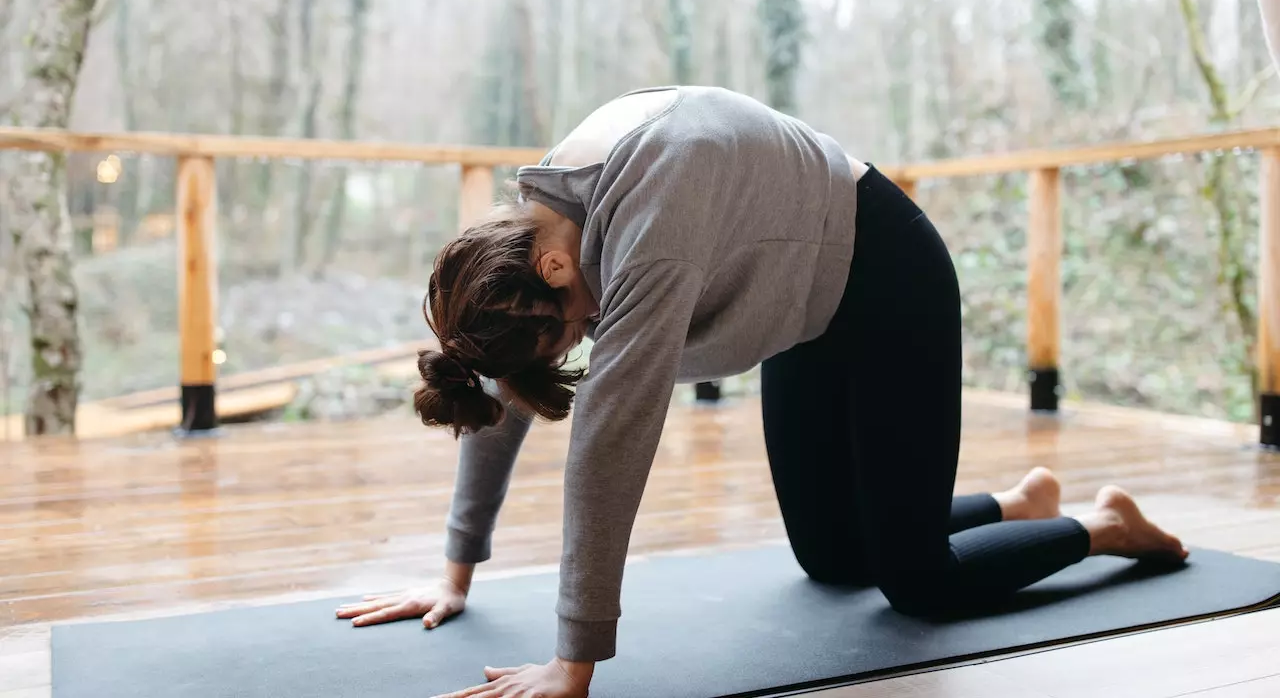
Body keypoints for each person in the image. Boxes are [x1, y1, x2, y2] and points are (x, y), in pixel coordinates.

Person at [334, 86, 1189, 698]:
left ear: (557, 272)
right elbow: (502, 385)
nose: (582, 339)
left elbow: (611, 439)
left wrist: (574, 662)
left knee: (918, 584)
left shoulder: (645, 230)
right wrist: (457, 572)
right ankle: (1013, 503)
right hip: (801, 303)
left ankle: (1105, 524)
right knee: (832, 559)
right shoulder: (539, 234)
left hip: (886, 276)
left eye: (570, 334)